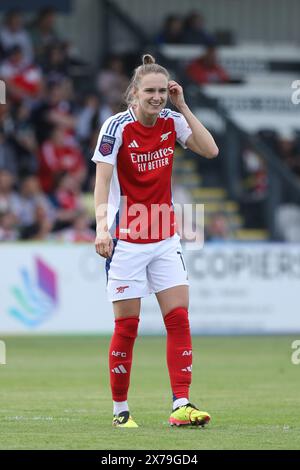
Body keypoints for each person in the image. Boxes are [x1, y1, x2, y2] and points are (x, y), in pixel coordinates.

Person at [92, 54, 219, 428]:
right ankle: (120, 411)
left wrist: (183, 104)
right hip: (126, 238)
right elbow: (101, 182)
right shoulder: (115, 128)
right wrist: (102, 228)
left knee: (179, 319)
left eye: (163, 91)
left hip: (165, 235)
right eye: (150, 90)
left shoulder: (172, 120)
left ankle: (182, 404)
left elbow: (210, 150)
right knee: (127, 327)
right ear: (134, 93)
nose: (157, 97)